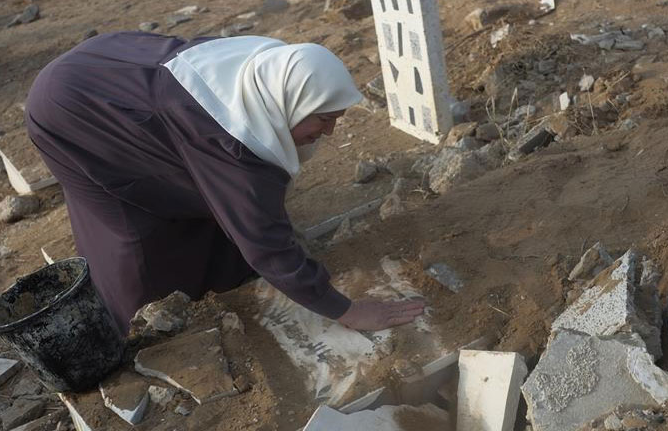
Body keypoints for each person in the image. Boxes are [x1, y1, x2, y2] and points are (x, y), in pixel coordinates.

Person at [24, 32, 424, 336]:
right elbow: (267, 244)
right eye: (323, 119)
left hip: (112, 68)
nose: (332, 132)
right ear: (292, 102)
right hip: (69, 109)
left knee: (207, 198)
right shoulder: (229, 144)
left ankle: (218, 269)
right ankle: (134, 320)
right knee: (134, 225)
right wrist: (346, 311)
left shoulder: (265, 70)